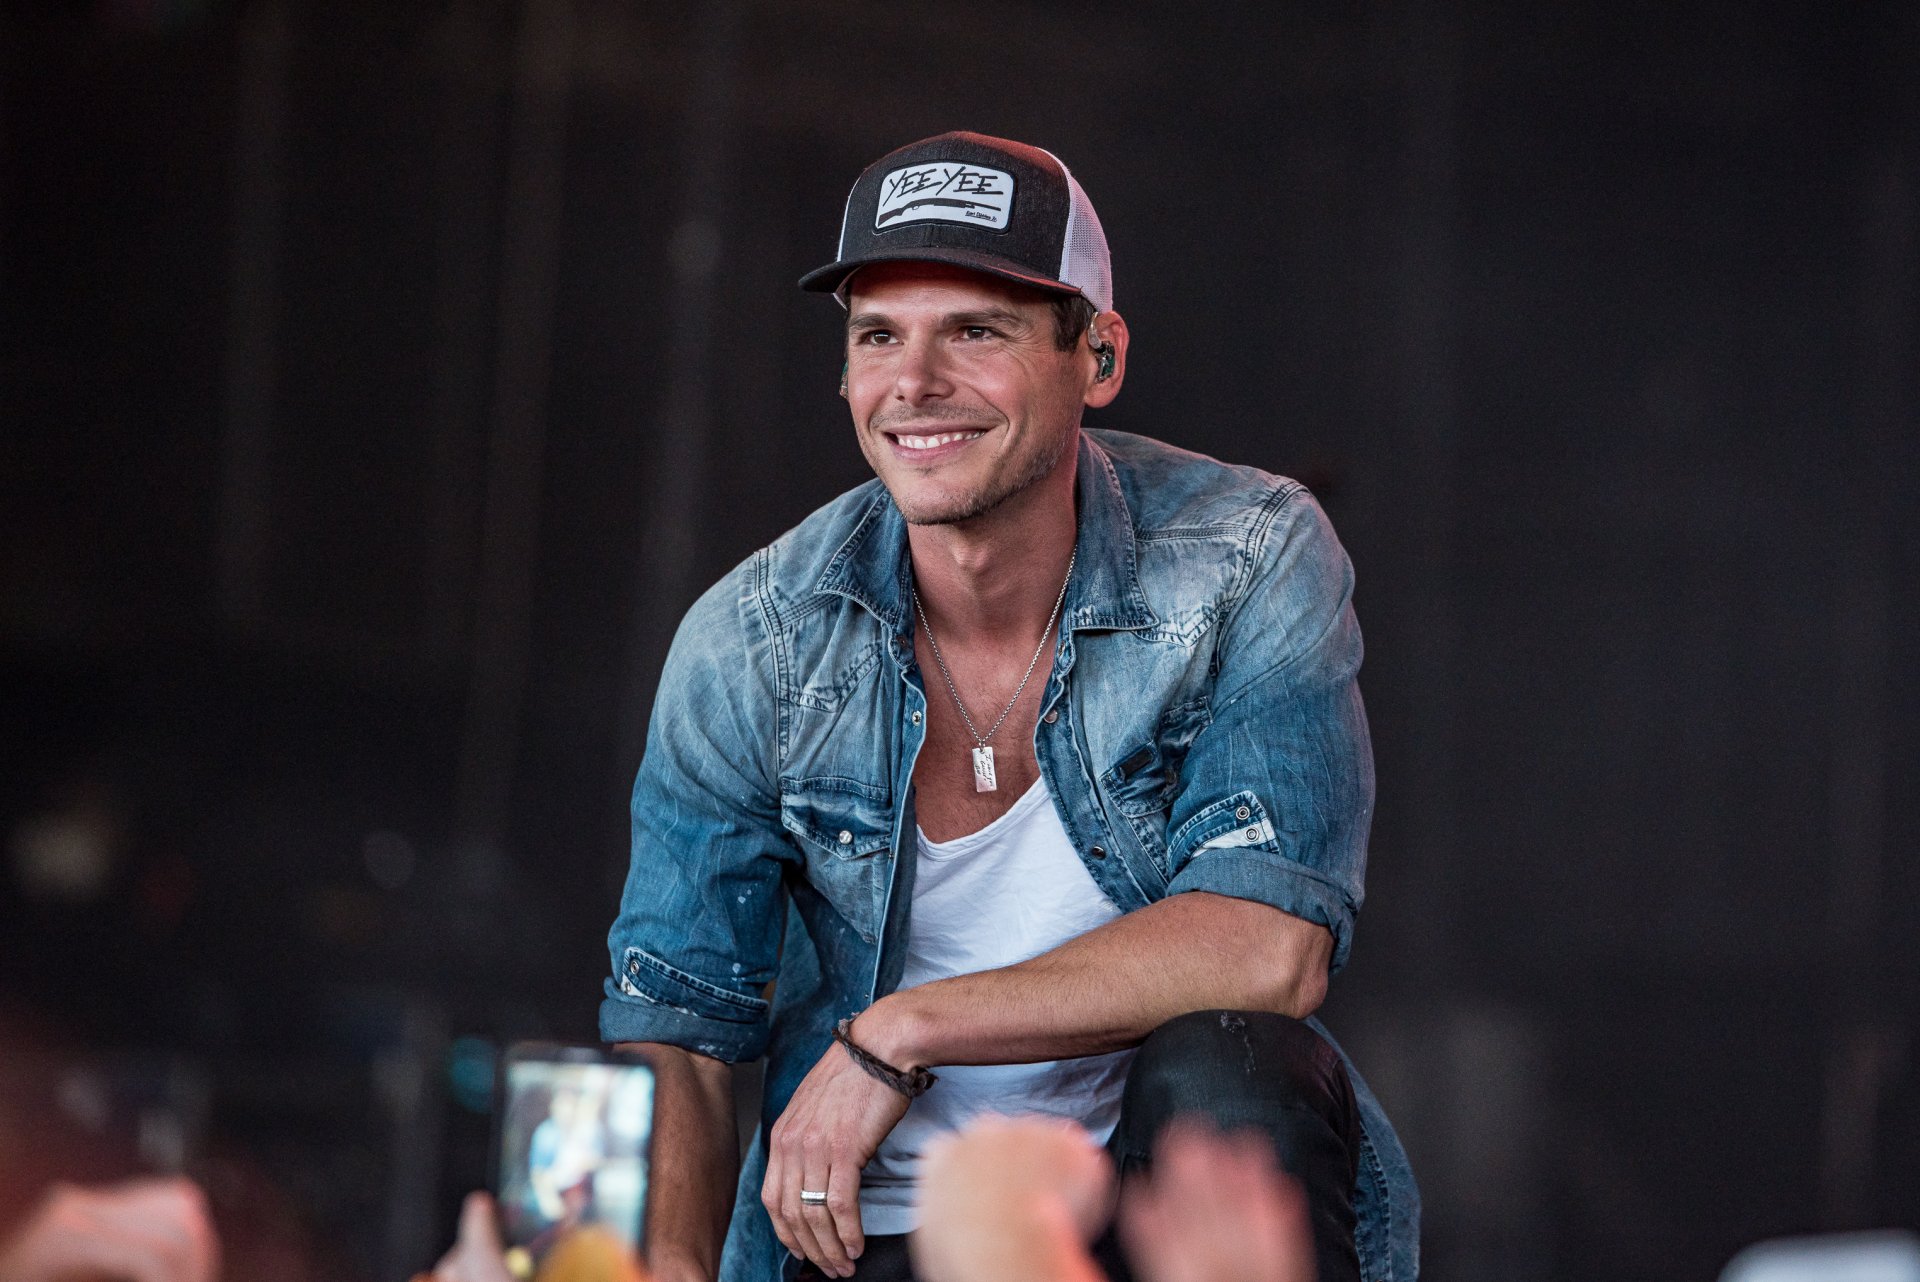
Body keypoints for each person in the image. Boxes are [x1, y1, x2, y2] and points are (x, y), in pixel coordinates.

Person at [600, 132, 1419, 1282]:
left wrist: (903, 1030)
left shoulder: (1244, 556)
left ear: (1099, 352)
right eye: (879, 335)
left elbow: (1268, 944)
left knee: (1240, 1064)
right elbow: (677, 1029)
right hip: (863, 1233)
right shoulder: (753, 641)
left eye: (975, 331)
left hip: (1152, 1226)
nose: (915, 384)